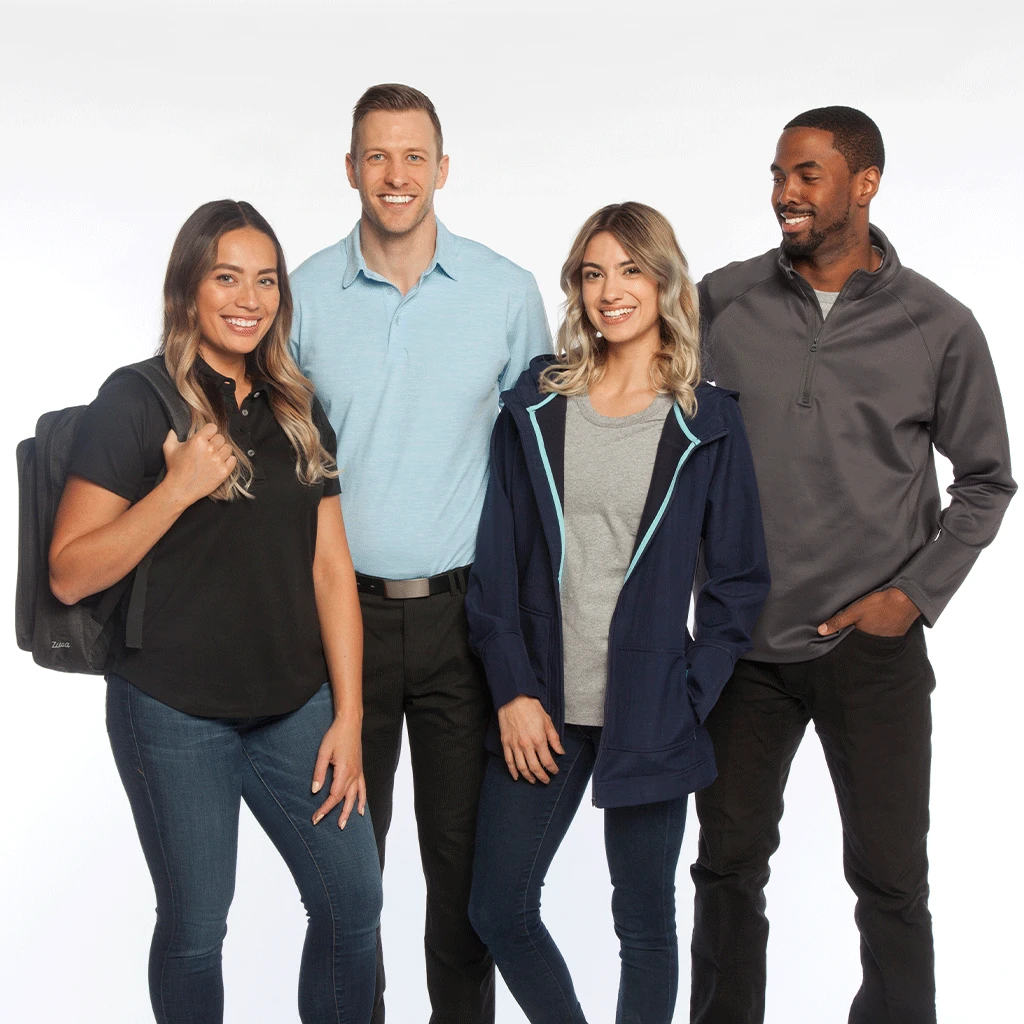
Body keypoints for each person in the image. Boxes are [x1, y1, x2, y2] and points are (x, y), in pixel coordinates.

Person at [689, 107, 1016, 1024]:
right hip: (742, 649)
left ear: (865, 184)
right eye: (778, 174)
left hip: (870, 653)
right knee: (726, 872)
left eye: (807, 175)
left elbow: (987, 480)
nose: (784, 193)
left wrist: (910, 596)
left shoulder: (938, 325)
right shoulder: (722, 301)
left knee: (891, 883)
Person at [48, 199, 383, 1024]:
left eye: (266, 281)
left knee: (353, 903)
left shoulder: (297, 407)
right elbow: (69, 573)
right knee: (198, 928)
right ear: (188, 289)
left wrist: (349, 715)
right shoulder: (136, 399)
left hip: (294, 705)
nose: (249, 299)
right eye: (227, 277)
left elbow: (331, 569)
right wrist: (178, 488)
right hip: (173, 710)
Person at [464, 202, 771, 1024]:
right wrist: (512, 689)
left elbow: (739, 581)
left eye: (631, 270)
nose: (610, 291)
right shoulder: (537, 404)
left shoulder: (708, 419)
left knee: (643, 924)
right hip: (542, 703)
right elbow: (495, 568)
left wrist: (688, 693)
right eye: (593, 273)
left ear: (664, 282)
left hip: (649, 713)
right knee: (498, 907)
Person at [288, 83, 551, 1024]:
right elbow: (275, 463)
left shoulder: (506, 292)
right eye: (376, 156)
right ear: (350, 168)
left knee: (464, 877)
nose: (394, 175)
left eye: (413, 157)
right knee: (347, 878)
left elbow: (539, 472)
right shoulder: (302, 295)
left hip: (462, 623)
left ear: (443, 169)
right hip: (338, 622)